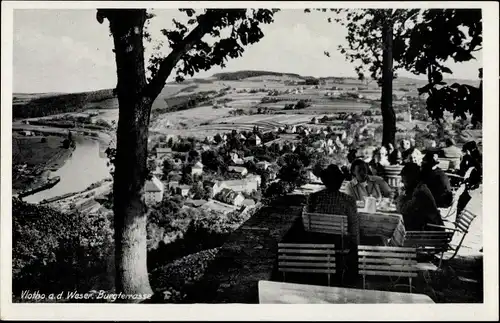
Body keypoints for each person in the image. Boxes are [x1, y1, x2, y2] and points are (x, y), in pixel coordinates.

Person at [307, 164, 360, 285]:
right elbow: (354, 227)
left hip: (318, 242)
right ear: (340, 182)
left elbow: (308, 221)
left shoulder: (313, 198)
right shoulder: (348, 200)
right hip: (339, 244)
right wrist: (356, 246)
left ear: (324, 181)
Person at [396, 163, 444, 231]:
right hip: (426, 227)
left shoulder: (420, 191)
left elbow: (403, 210)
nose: (402, 182)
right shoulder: (418, 187)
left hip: (431, 231)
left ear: (411, 178)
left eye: (404, 180)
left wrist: (401, 195)